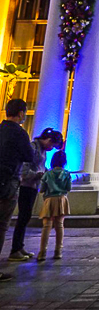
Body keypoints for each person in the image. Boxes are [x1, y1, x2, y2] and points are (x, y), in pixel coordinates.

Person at [9, 127, 63, 262]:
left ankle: (19, 246)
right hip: (26, 186)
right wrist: (38, 175)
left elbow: (40, 166)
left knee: (26, 216)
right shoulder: (33, 148)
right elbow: (25, 168)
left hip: (33, 186)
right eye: (52, 145)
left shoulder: (42, 151)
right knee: (23, 217)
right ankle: (15, 249)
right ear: (48, 140)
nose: (51, 148)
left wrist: (46, 172)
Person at [0, 98, 34, 281]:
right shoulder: (19, 133)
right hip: (9, 182)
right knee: (2, 224)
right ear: (21, 113)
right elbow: (29, 155)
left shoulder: (1, 129)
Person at [37, 149, 71, 261]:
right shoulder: (66, 174)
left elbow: (42, 189)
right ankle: (58, 251)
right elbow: (68, 188)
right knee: (59, 225)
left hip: (49, 200)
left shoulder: (48, 174)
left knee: (46, 226)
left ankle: (42, 252)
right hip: (61, 199)